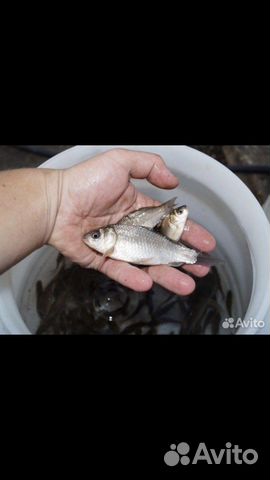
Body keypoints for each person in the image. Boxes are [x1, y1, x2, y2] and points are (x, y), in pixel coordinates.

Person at [0, 148, 216, 295]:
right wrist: (55, 203)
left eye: (96, 236)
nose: (91, 238)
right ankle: (195, 257)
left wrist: (55, 202)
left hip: (164, 249)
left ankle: (194, 257)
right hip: (159, 247)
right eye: (96, 235)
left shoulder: (120, 234)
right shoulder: (118, 235)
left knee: (187, 257)